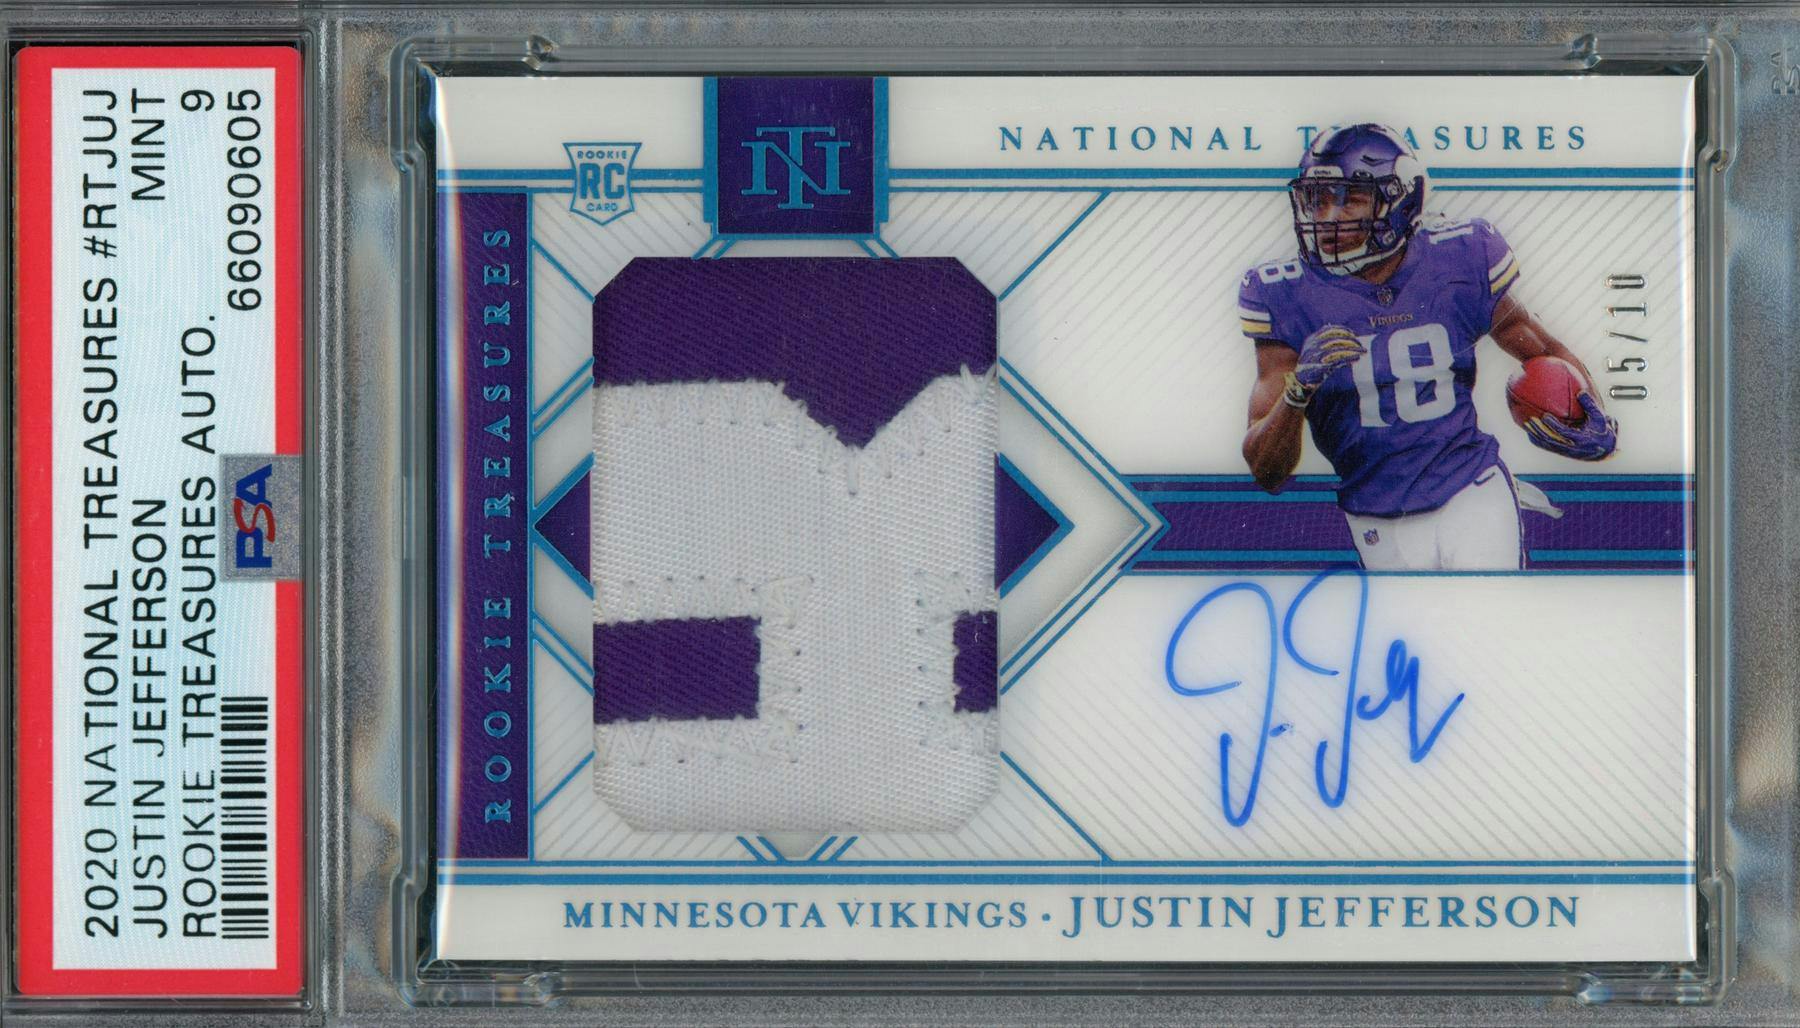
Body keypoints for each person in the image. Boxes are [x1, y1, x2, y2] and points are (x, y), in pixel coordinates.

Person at [1239, 123, 1618, 571]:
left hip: (1470, 488)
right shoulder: (1283, 293)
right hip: (1373, 510)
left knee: (1488, 610)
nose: (1328, 217)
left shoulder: (1458, 259)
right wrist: (1297, 392)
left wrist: (1594, 416)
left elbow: (1541, 349)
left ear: (1401, 200)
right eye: (1318, 199)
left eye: (1350, 198)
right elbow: (1267, 472)